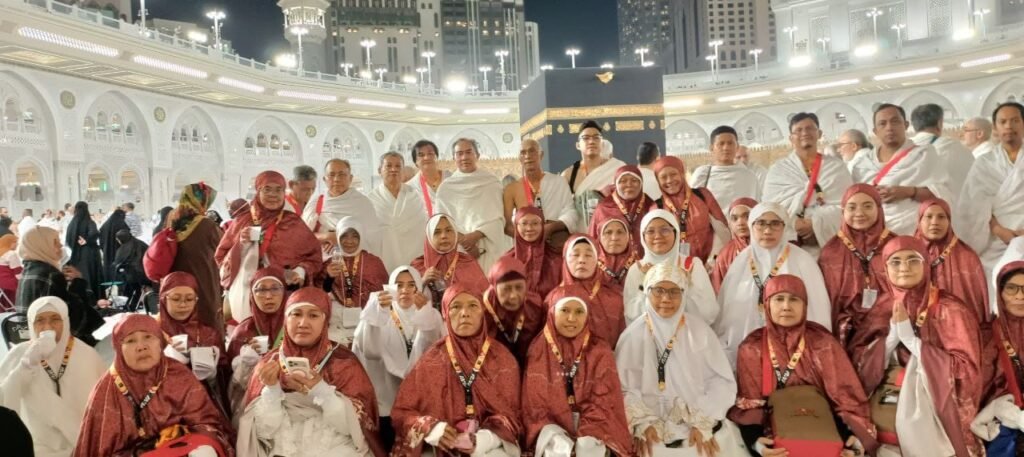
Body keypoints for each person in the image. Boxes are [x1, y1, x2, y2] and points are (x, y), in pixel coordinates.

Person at [848, 236, 982, 456]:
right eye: (895, 262)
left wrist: (912, 342)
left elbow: (967, 372)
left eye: (913, 260)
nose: (904, 268)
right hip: (885, 413)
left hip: (933, 417)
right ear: (885, 268)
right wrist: (890, 340)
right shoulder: (882, 306)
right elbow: (856, 365)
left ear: (926, 264)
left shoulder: (951, 309)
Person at [728, 274, 878, 457]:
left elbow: (845, 398)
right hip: (774, 435)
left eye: (794, 299)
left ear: (805, 305)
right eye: (779, 299)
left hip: (824, 429)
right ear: (766, 305)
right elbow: (750, 406)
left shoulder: (823, 342)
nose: (786, 306)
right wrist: (756, 443)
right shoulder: (752, 347)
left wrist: (853, 438)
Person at [616, 263, 746, 457]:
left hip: (698, 417)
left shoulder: (700, 331)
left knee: (708, 449)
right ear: (647, 292)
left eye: (674, 292)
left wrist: (703, 420)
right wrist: (642, 423)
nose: (666, 299)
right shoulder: (631, 336)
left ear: (684, 294)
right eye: (658, 290)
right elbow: (622, 388)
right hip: (650, 421)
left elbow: (721, 381)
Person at [236, 288, 386, 456]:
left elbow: (355, 429)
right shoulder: (269, 362)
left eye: (313, 315)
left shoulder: (344, 361)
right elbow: (264, 432)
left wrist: (322, 391)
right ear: (285, 319)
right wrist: (272, 390)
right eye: (296, 314)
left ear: (325, 320)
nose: (303, 323)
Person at [390, 284, 523, 457]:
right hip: (441, 449)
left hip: (489, 448)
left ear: (483, 313)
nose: (464, 313)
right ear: (445, 313)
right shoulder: (431, 360)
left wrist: (484, 440)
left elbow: (513, 416)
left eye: (473, 306)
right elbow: (401, 412)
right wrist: (432, 429)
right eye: (456, 307)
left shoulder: (502, 359)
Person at [74, 314, 233, 457]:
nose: (141, 346)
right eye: (130, 340)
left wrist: (192, 442)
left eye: (148, 337)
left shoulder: (179, 375)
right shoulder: (106, 390)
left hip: (181, 448)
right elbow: (99, 449)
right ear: (118, 348)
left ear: (160, 343)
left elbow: (207, 422)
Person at [715, 202, 832, 366]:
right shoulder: (740, 262)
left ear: (784, 227)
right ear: (751, 226)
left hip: (794, 350)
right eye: (761, 223)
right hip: (745, 346)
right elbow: (727, 314)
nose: (767, 231)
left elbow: (818, 311)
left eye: (775, 223)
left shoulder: (803, 261)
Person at [522, 296, 634, 456]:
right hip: (552, 428)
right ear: (552, 312)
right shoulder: (538, 349)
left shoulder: (599, 350)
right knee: (557, 449)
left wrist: (585, 433)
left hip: (594, 425)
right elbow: (535, 406)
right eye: (565, 310)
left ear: (587, 315)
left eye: (579, 311)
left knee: (588, 448)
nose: (571, 318)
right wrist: (562, 438)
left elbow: (604, 401)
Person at [0, 297, 106, 457]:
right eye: (40, 321)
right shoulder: (20, 354)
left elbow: (104, 402)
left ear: (65, 321)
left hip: (84, 444)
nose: (47, 326)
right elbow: (4, 401)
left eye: (55, 319)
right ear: (31, 324)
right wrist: (26, 366)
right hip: (38, 445)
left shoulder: (86, 354)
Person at [352, 266, 443, 448]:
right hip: (386, 396)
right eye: (399, 285)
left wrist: (425, 316)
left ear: (419, 288)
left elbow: (436, 350)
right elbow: (369, 350)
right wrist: (375, 317)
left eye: (411, 285)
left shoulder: (429, 314)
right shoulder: (379, 312)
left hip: (420, 400)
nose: (405, 291)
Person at [217, 171, 322, 323]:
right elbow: (221, 258)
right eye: (267, 189)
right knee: (251, 335)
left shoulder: (293, 223)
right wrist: (241, 245)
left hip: (285, 296)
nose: (273, 194)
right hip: (247, 298)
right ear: (258, 191)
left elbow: (314, 257)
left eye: (278, 190)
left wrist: (299, 271)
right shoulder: (242, 221)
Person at [848, 103, 951, 235]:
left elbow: (942, 195)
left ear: (906, 125)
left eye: (895, 121)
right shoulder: (862, 165)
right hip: (873, 235)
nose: (889, 127)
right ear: (875, 131)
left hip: (915, 233)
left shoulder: (924, 155)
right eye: (882, 124)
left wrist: (909, 192)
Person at [763, 112, 855, 256]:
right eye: (798, 130)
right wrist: (794, 223)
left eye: (810, 128)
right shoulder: (778, 170)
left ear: (819, 133)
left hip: (831, 247)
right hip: (790, 245)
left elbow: (848, 206)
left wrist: (816, 224)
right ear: (791, 138)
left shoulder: (836, 167)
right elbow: (770, 207)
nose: (805, 133)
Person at [819, 184, 895, 348]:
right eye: (852, 207)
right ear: (843, 212)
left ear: (879, 209)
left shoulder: (895, 247)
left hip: (890, 330)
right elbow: (828, 304)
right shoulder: (831, 253)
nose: (859, 213)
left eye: (867, 206)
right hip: (845, 334)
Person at [956, 102, 1024, 277]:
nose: (1009, 126)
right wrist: (999, 231)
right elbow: (973, 207)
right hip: (994, 242)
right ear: (995, 127)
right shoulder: (984, 163)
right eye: (1003, 122)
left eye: (1015, 120)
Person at [623, 210, 718, 325]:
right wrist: (645, 283)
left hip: (688, 333)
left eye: (665, 230)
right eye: (650, 231)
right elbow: (631, 316)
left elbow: (708, 314)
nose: (658, 236)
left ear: (676, 233)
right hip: (647, 334)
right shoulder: (637, 269)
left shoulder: (691, 265)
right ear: (643, 236)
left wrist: (688, 285)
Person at [16, 226, 103, 345]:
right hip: (58, 345)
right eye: (55, 242)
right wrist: (78, 281)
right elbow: (74, 319)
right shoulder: (50, 275)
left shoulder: (29, 271)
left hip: (34, 340)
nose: (61, 246)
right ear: (42, 246)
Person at [436, 138, 511, 273]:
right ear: (454, 158)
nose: (464, 157)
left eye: (468, 152)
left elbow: (499, 219)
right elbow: (441, 222)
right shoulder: (446, 188)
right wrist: (465, 243)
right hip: (458, 249)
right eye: (459, 153)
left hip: (488, 246)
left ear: (477, 155)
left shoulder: (491, 183)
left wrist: (475, 236)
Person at [972, 261, 1024, 452]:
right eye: (1011, 288)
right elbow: (977, 389)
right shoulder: (986, 337)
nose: (1020, 296)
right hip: (1002, 425)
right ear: (1000, 293)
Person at [158, 272, 229, 413]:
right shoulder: (153, 333)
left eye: (189, 299)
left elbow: (225, 378)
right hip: (163, 405)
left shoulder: (208, 334)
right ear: (163, 299)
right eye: (176, 299)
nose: (183, 305)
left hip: (203, 404)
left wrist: (212, 374)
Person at [916, 198, 989, 327]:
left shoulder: (967, 257)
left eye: (941, 217)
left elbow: (976, 308)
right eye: (929, 217)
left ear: (949, 221)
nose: (935, 222)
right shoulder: (907, 253)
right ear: (919, 221)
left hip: (958, 329)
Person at [226, 268, 287, 424]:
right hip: (251, 404)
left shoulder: (294, 327)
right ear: (252, 295)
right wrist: (245, 364)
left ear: (285, 292)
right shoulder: (243, 332)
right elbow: (231, 387)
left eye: (275, 288)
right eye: (261, 290)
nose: (268, 296)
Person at [546, 235, 627, 349]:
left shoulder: (614, 301)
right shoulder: (553, 300)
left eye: (588, 255)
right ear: (565, 259)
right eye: (575, 255)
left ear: (598, 260)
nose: (582, 260)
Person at [166, 182, 225, 334]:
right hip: (203, 280)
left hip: (175, 283)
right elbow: (224, 249)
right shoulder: (207, 225)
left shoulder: (171, 219)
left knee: (179, 322)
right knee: (206, 320)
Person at [322, 217, 389, 346]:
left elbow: (383, 295)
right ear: (338, 237)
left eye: (354, 236)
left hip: (367, 319)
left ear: (361, 237)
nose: (349, 241)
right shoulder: (330, 263)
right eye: (344, 236)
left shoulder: (373, 262)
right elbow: (320, 294)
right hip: (337, 323)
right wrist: (329, 277)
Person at [653, 155, 729, 264]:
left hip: (713, 262)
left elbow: (723, 228)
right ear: (658, 180)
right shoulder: (657, 208)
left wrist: (716, 259)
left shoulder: (703, 195)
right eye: (663, 177)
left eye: (673, 174)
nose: (669, 180)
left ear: (681, 173)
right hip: (678, 266)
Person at [502, 139, 576, 248]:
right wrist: (528, 239)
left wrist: (551, 228)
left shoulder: (558, 182)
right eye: (523, 152)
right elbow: (506, 226)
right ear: (520, 158)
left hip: (554, 244)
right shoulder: (512, 189)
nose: (528, 156)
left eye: (532, 151)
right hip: (526, 248)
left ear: (541, 155)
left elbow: (571, 212)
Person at [302, 159, 382, 257]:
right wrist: (326, 236)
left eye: (342, 174)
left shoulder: (363, 203)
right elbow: (301, 236)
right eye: (332, 175)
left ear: (350, 178)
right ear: (324, 179)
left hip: (356, 260)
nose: (336, 179)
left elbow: (373, 238)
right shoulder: (316, 202)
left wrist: (343, 239)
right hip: (323, 261)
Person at [562, 121, 628, 232]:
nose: (591, 141)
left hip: (611, 233)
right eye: (586, 138)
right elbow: (564, 209)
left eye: (596, 137)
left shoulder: (618, 168)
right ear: (578, 145)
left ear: (602, 143)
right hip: (582, 234)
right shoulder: (569, 175)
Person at [368, 151, 428, 271]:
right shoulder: (371, 199)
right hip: (384, 257)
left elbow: (422, 227)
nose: (393, 169)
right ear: (380, 170)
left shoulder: (414, 195)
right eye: (388, 166)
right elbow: (369, 233)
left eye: (398, 166)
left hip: (414, 256)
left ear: (403, 170)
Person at [411, 213, 488, 306]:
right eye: (437, 232)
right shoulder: (418, 266)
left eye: (448, 230)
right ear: (429, 237)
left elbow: (484, 299)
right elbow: (406, 302)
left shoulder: (467, 262)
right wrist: (423, 281)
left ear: (455, 234)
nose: (444, 236)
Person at [481, 257, 545, 364]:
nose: (513, 296)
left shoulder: (535, 306)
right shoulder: (483, 309)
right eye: (506, 289)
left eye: (519, 287)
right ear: (495, 289)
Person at [588, 165, 656, 258]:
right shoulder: (604, 208)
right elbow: (592, 241)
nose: (629, 184)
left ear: (641, 183)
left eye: (634, 180)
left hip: (646, 261)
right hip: (610, 264)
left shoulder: (650, 205)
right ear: (616, 184)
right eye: (623, 181)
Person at [911, 103, 974, 198]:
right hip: (948, 204)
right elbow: (972, 180)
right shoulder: (954, 147)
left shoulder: (903, 149)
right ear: (940, 123)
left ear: (914, 125)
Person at [500, 206, 563, 300]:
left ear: (542, 226)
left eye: (535, 223)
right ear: (516, 226)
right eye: (524, 223)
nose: (529, 228)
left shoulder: (557, 260)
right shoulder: (506, 262)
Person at [691, 126, 761, 210]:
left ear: (737, 147)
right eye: (721, 143)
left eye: (730, 143)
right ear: (711, 148)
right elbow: (692, 206)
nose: (726, 148)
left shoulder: (749, 177)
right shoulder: (702, 174)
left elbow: (756, 208)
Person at [710, 197, 756, 293]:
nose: (740, 223)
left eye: (747, 216)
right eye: (735, 219)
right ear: (730, 224)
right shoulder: (725, 255)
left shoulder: (769, 247)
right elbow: (718, 291)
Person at [65, 201, 104, 298]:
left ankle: (82, 297)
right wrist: (87, 240)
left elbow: (68, 239)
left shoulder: (72, 223)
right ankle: (95, 297)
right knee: (92, 275)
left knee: (81, 275)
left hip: (76, 255)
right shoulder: (89, 222)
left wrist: (75, 245)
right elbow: (94, 233)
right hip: (90, 253)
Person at [595, 217, 638, 289]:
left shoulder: (639, 265)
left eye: (620, 232)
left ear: (628, 236)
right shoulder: (590, 266)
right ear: (600, 237)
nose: (614, 238)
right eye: (608, 232)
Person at [409, 140, 445, 217]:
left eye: (430, 153)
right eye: (421, 155)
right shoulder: (410, 188)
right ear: (415, 162)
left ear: (436, 157)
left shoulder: (451, 178)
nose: (426, 157)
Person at [113, 228, 149, 306]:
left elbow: (118, 264)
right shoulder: (140, 243)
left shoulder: (122, 249)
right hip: (144, 274)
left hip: (131, 276)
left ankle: (125, 306)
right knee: (136, 289)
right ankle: (133, 305)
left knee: (126, 288)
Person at [98, 207, 130, 285]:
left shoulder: (105, 225)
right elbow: (127, 238)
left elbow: (100, 238)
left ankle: (109, 285)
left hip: (107, 250)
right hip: (119, 251)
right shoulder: (122, 225)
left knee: (109, 268)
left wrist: (104, 248)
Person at [0, 234, 21, 303]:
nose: (17, 244)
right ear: (9, 243)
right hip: (10, 283)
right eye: (15, 242)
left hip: (2, 283)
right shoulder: (11, 254)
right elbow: (18, 272)